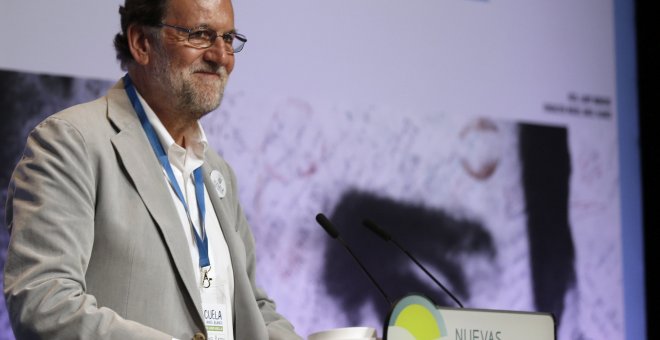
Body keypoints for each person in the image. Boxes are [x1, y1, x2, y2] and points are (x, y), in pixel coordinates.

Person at [3, 0, 302, 339]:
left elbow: (253, 308)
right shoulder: (73, 143)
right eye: (201, 35)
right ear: (142, 43)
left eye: (229, 38)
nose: (221, 56)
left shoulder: (217, 172)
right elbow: (44, 304)